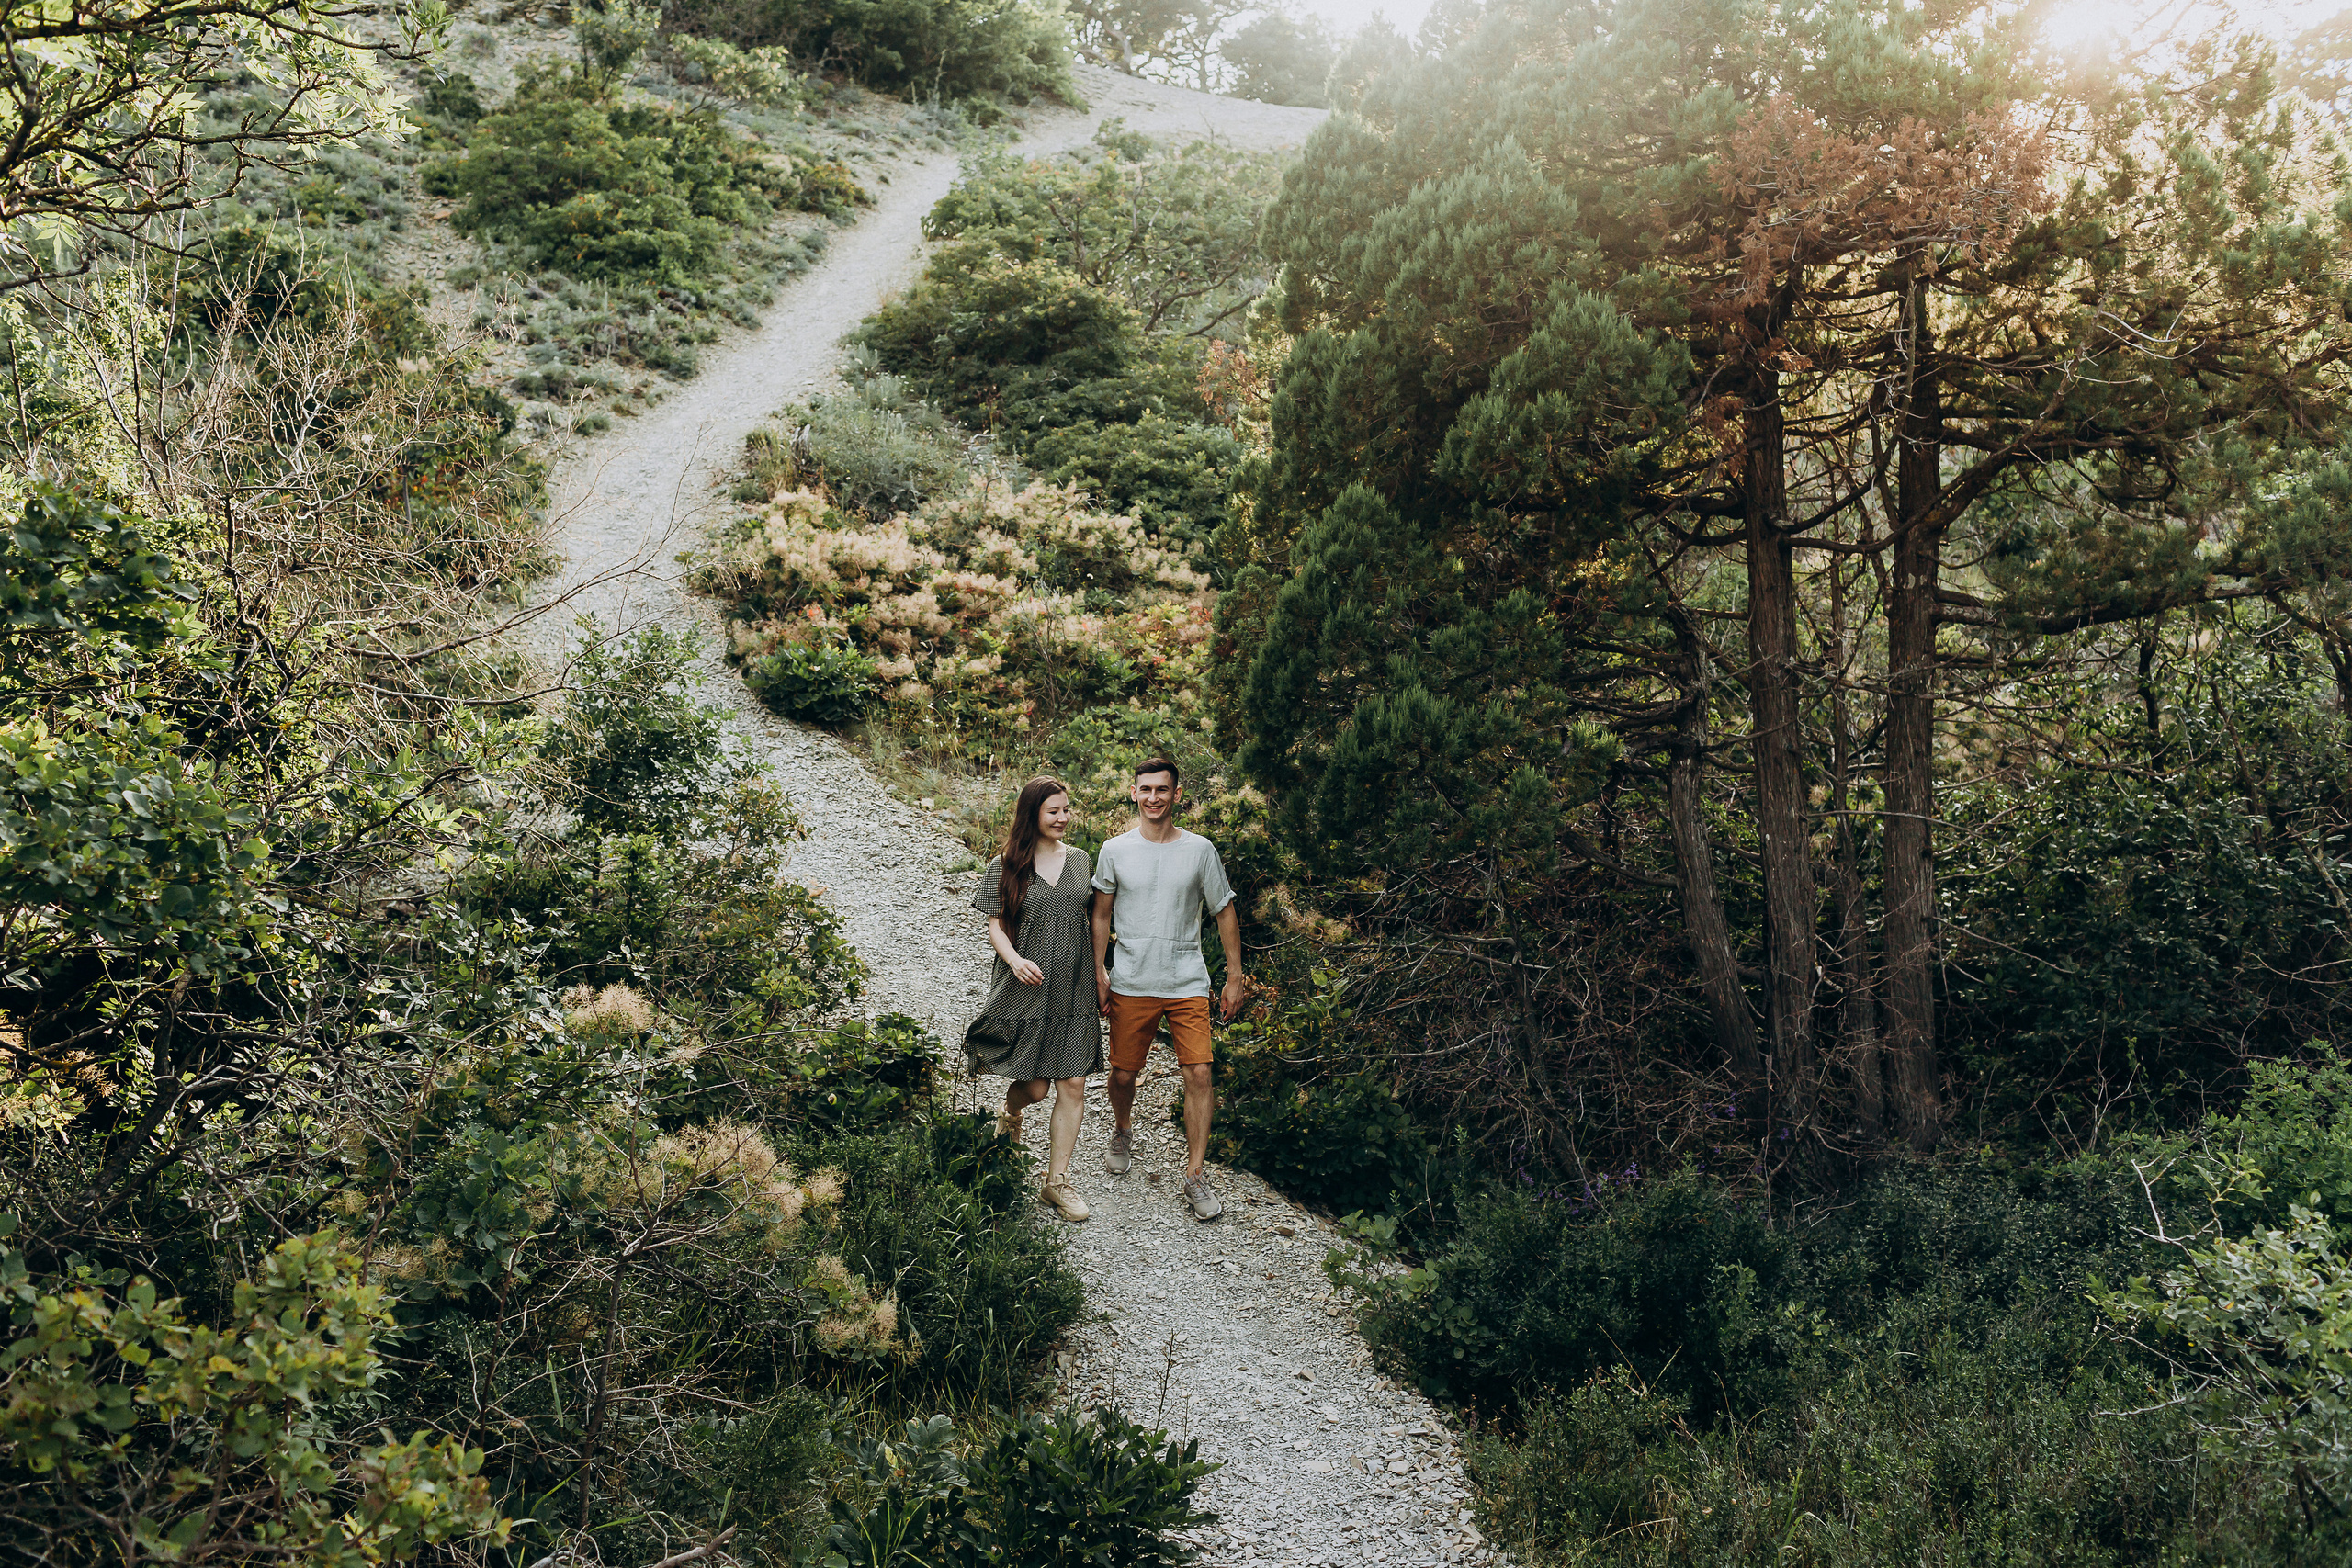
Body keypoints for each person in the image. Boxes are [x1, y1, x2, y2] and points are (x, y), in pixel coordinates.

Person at [1091, 755, 1247, 1220]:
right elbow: (1100, 914)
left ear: (1177, 794)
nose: (1154, 797)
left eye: (1163, 789)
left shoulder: (1200, 850)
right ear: (1134, 793)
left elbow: (1224, 911)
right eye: (1146, 789)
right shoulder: (1114, 850)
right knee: (1121, 1075)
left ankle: (1195, 1175)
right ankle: (1123, 1129)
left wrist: (1234, 976)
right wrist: (1099, 970)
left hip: (1187, 981)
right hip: (1132, 980)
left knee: (1199, 1073)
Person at [970, 775, 1102, 1222]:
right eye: (1054, 811)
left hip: (1073, 986)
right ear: (1033, 815)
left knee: (1074, 1083)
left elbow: (1095, 919)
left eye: (1067, 809)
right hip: (1027, 984)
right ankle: (1011, 1113)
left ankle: (1056, 1183)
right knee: (1036, 1085)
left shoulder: (1082, 861)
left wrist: (1101, 973)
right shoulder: (1007, 863)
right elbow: (994, 924)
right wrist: (1014, 959)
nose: (1064, 818)